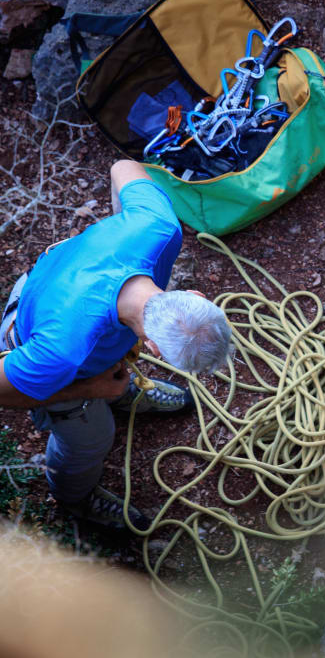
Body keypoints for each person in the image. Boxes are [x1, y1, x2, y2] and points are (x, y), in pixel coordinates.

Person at [0, 160, 231, 529]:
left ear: (194, 295)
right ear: (154, 348)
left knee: (108, 364)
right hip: (31, 331)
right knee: (93, 437)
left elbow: (123, 166)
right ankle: (74, 496)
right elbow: (3, 391)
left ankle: (119, 392)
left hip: (55, 287)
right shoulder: (60, 351)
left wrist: (118, 231)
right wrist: (91, 388)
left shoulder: (159, 225)